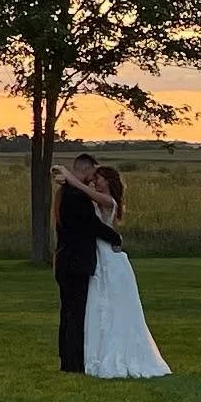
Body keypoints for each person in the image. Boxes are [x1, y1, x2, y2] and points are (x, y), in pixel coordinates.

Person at [54, 160, 172, 379]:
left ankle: (110, 353)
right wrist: (67, 179)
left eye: (97, 178)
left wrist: (68, 175)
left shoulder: (108, 201)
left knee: (111, 306)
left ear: (107, 182)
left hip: (108, 257)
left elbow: (82, 190)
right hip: (97, 257)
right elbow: (80, 192)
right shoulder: (92, 200)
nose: (93, 181)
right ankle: (91, 353)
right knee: (97, 306)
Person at [52, 152, 123, 373]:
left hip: (66, 259)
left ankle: (69, 360)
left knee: (69, 312)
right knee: (75, 313)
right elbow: (92, 225)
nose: (94, 179)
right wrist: (116, 237)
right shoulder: (77, 196)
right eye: (93, 173)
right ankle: (73, 362)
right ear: (85, 169)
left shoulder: (66, 192)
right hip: (76, 261)